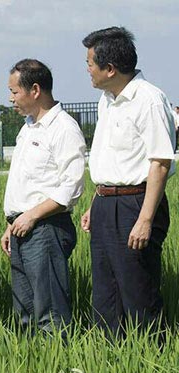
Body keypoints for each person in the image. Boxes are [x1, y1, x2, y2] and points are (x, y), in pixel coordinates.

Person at [80, 27, 176, 338]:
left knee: (138, 293)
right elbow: (111, 161)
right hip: (107, 204)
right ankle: (112, 361)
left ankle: (149, 359)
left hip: (136, 204)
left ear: (110, 68)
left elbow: (160, 162)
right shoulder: (106, 100)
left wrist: (145, 220)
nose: (88, 70)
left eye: (90, 63)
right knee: (106, 294)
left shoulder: (148, 99)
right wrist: (96, 204)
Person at [1, 59, 86, 336]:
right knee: (24, 312)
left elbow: (70, 187)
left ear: (35, 90)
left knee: (49, 311)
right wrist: (13, 222)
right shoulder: (28, 128)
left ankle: (57, 368)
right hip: (22, 227)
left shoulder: (63, 128)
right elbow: (28, 184)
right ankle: (31, 367)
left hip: (46, 229)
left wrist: (32, 215)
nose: (11, 98)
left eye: (14, 92)